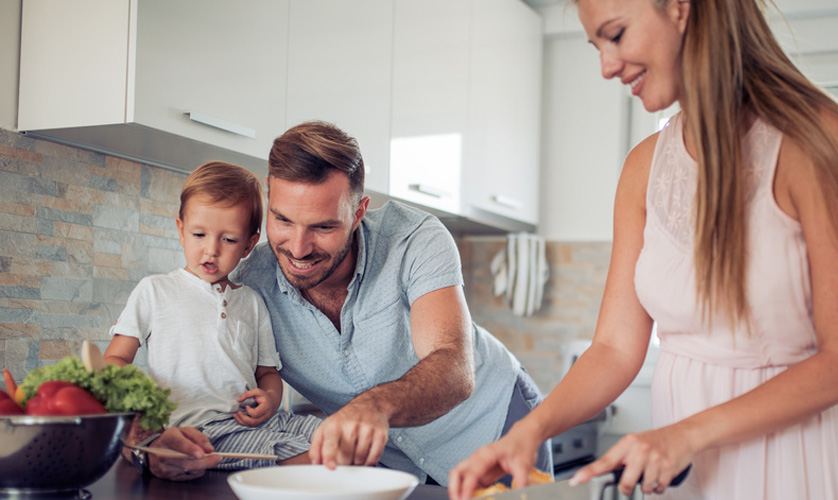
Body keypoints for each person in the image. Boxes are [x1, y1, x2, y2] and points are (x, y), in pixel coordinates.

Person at [449, 0, 838, 499]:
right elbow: (614, 348)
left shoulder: (819, 140)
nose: (607, 67)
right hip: (682, 472)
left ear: (680, 8)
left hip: (790, 460)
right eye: (596, 47)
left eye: (615, 35)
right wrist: (529, 430)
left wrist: (687, 434)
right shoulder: (644, 168)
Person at [138, 121, 552, 485]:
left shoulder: (414, 239)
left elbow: (454, 366)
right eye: (282, 221)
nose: (297, 248)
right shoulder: (246, 288)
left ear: (358, 213)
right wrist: (155, 445)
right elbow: (201, 387)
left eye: (322, 226)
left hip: (495, 426)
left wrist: (375, 405)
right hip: (391, 464)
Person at [104, 161, 322, 477]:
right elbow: (115, 358)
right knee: (310, 462)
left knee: (337, 440)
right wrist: (141, 403)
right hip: (200, 430)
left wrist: (270, 399)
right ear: (180, 230)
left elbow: (267, 373)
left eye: (229, 240)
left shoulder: (252, 301)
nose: (211, 249)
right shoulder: (154, 290)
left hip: (258, 420)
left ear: (249, 244)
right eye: (199, 234)